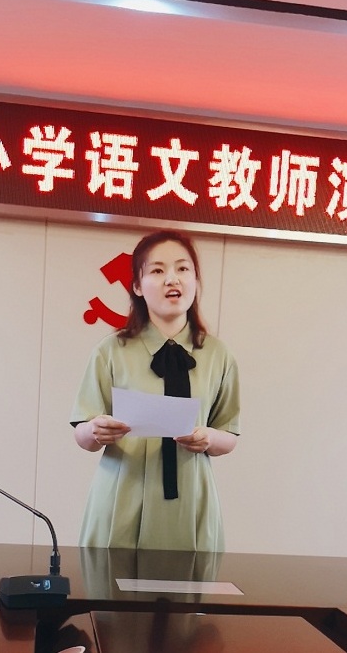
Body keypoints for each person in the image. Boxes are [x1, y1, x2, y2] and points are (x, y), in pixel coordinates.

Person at [70, 229, 240, 551]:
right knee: (112, 583)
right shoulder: (111, 351)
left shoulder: (219, 355)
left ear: (195, 280)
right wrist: (95, 430)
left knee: (189, 583)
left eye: (183, 268)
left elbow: (229, 434)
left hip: (191, 500)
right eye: (158, 271)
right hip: (122, 495)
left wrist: (208, 438)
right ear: (137, 285)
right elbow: (82, 434)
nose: (172, 279)